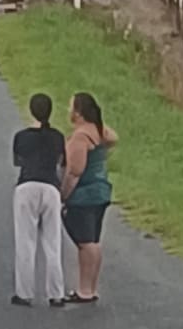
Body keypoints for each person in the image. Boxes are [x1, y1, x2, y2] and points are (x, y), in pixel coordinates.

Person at [60, 92, 118, 304]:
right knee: (93, 240)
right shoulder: (100, 132)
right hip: (101, 191)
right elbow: (113, 138)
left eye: (71, 107)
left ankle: (84, 290)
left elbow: (75, 171)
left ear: (78, 113)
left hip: (84, 195)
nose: (68, 112)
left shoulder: (80, 137)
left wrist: (64, 194)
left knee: (86, 243)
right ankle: (90, 287)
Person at [11, 93, 67, 308]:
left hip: (27, 186)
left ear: (31, 111)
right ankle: (56, 294)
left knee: (26, 242)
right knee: (53, 243)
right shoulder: (57, 137)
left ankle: (24, 293)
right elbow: (61, 162)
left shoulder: (21, 136)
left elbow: (18, 161)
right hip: (51, 187)